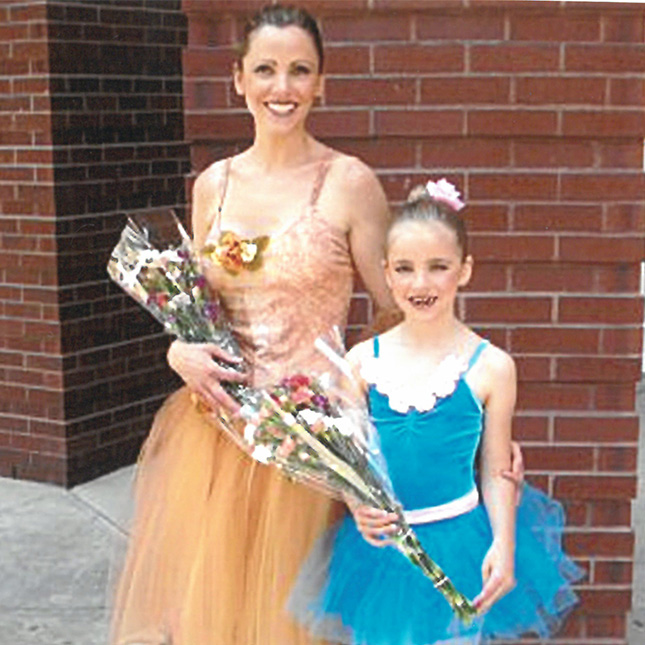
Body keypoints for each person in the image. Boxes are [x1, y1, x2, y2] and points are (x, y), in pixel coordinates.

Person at [110, 5, 525, 644]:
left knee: (295, 619)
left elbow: (404, 311)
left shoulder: (349, 184)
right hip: (214, 441)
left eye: (300, 71)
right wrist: (179, 355)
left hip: (309, 447)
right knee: (213, 616)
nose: (283, 88)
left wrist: (459, 424)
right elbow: (198, 308)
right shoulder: (211, 185)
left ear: (321, 83)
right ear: (238, 79)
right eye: (267, 70)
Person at [289, 180, 583, 645]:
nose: (420, 283)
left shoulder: (491, 367)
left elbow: (496, 468)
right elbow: (351, 457)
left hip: (459, 542)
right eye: (404, 268)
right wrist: (356, 504)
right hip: (382, 551)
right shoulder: (362, 363)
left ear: (465, 271)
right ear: (385, 273)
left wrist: (503, 543)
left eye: (438, 267)